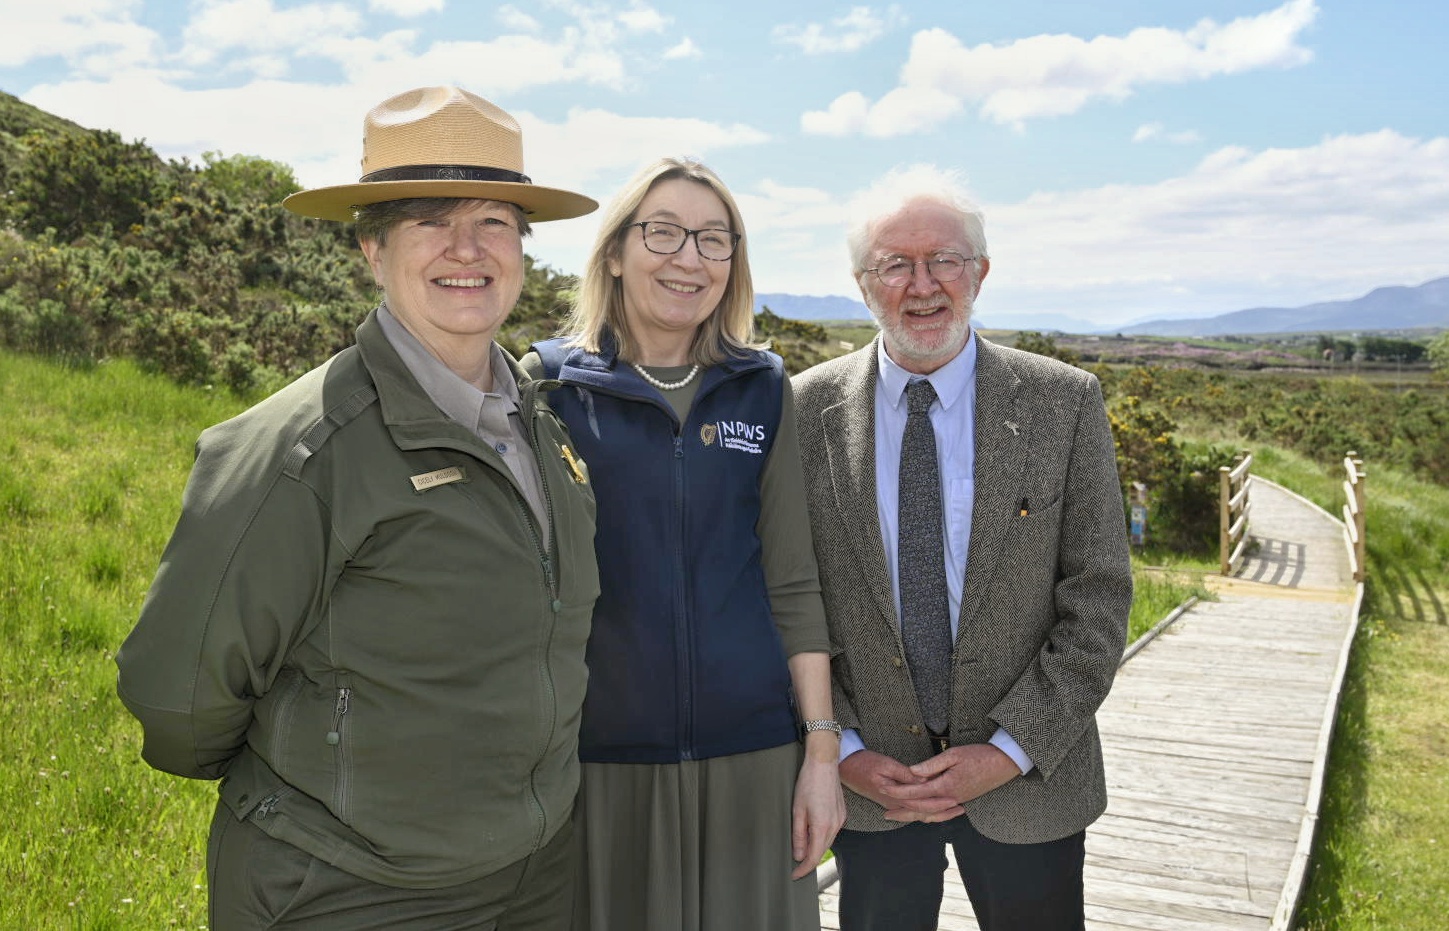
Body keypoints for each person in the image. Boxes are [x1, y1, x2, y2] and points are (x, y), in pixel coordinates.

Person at [115, 86, 602, 930]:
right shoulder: (302, 447)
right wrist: (326, 797)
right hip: (347, 890)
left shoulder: (544, 423)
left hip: (532, 872)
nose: (465, 248)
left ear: (520, 251)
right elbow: (179, 696)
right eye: (427, 220)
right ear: (373, 250)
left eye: (491, 220)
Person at [791, 164, 1133, 931]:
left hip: (1030, 785)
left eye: (943, 259)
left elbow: (1099, 595)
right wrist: (840, 748)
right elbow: (787, 596)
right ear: (860, 282)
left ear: (979, 271)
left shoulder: (1063, 401)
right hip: (872, 788)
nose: (922, 284)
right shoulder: (799, 409)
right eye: (894, 264)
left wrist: (1008, 750)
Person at [523, 156, 845, 931]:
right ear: (613, 252)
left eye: (712, 239)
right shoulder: (550, 386)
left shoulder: (763, 387)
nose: (688, 258)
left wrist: (821, 759)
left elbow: (793, 581)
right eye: (662, 232)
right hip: (598, 762)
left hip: (754, 760)